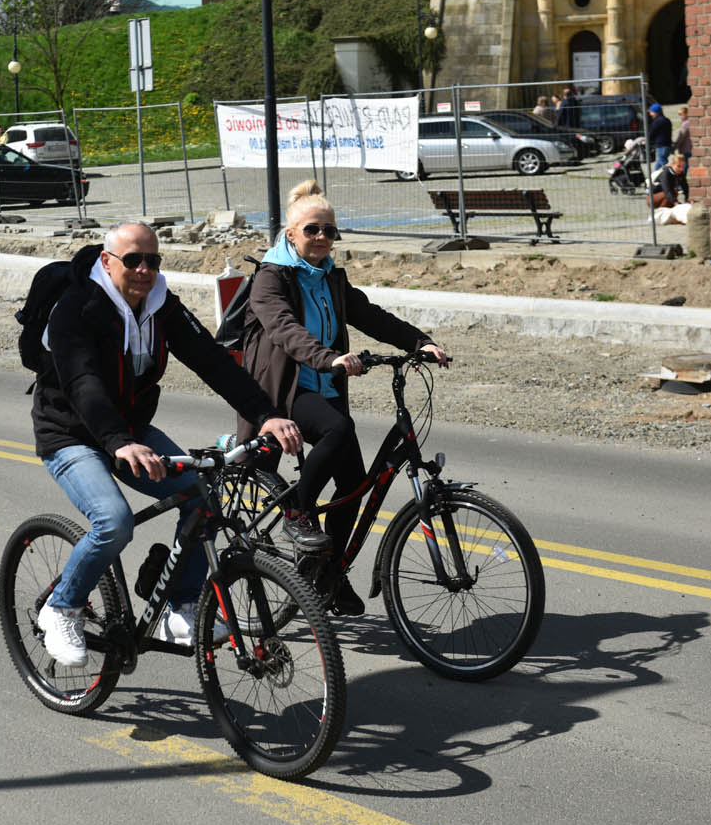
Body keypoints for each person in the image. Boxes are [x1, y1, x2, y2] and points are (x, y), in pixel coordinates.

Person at [31, 220, 305, 666]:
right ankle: (62, 607)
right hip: (70, 434)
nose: (143, 270)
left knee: (203, 499)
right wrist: (118, 441)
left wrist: (265, 414)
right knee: (114, 521)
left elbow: (212, 361)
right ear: (106, 261)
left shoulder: (161, 306)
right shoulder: (74, 308)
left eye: (152, 261)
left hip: (130, 432)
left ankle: (179, 607)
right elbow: (83, 383)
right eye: (133, 260)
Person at [237, 180, 450, 615]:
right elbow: (284, 330)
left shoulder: (332, 277)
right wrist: (328, 358)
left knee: (353, 483)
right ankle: (296, 512)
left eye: (330, 231)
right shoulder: (270, 278)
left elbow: (369, 315)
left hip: (326, 385)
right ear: (291, 234)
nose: (322, 238)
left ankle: (329, 573)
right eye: (313, 230)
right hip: (285, 389)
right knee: (339, 427)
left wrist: (419, 342)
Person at [647, 103, 672, 170]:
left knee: (665, 164)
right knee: (658, 167)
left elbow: (651, 133)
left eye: (652, 112)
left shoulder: (657, 121)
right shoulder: (666, 120)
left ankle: (673, 175)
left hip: (661, 146)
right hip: (667, 146)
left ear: (656, 112)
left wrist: (646, 141)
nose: (650, 114)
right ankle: (655, 178)